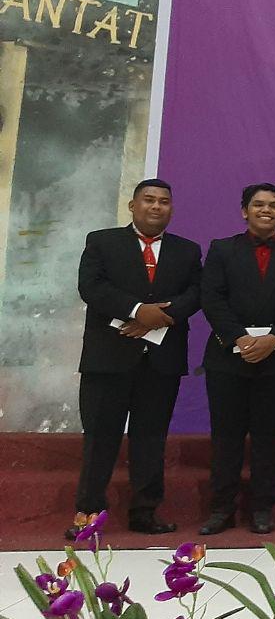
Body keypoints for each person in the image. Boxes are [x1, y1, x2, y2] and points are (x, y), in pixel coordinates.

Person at [68, 180, 202, 538]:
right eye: (149, 200)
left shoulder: (188, 251)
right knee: (100, 439)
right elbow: (91, 287)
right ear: (133, 205)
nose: (156, 207)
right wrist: (137, 310)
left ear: (171, 208)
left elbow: (196, 293)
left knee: (151, 439)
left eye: (164, 202)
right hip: (108, 359)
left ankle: (145, 513)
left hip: (161, 360)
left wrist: (159, 318)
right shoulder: (102, 241)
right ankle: (88, 515)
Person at [199, 183, 275, 535]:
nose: (266, 210)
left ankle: (262, 508)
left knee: (269, 437)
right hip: (227, 358)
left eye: (274, 205)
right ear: (244, 210)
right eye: (259, 204)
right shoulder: (221, 249)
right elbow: (212, 298)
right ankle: (222, 509)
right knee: (226, 437)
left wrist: (274, 338)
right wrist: (239, 337)